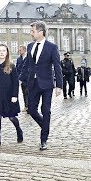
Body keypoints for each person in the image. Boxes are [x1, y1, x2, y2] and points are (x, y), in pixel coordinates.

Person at [19, 21, 62, 150]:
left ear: (40, 32)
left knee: (46, 110)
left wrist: (59, 85)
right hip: (33, 83)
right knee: (31, 110)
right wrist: (20, 78)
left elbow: (57, 66)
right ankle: (45, 126)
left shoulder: (52, 47)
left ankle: (44, 140)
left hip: (47, 84)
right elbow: (27, 64)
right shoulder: (30, 46)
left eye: (32, 31)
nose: (31, 33)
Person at [0, 44, 23, 148]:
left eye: (4, 50)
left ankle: (19, 130)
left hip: (9, 96)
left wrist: (14, 95)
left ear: (7, 53)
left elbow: (15, 82)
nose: (2, 52)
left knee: (12, 117)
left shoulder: (11, 66)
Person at [16, 45, 28, 111]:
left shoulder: (29, 58)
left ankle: (30, 106)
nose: (19, 51)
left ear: (24, 50)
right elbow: (17, 68)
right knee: (24, 92)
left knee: (29, 92)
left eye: (20, 50)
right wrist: (18, 77)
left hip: (29, 78)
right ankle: (26, 106)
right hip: (22, 79)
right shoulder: (18, 59)